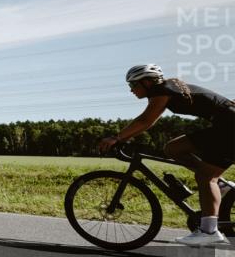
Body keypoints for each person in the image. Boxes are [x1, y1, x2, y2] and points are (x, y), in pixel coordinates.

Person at [99, 64, 235, 246]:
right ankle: (219, 185)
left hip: (229, 128)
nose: (131, 90)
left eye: (133, 85)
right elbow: (149, 121)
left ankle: (209, 230)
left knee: (204, 176)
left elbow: (146, 120)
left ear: (147, 82)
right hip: (225, 127)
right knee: (173, 149)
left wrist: (117, 138)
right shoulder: (166, 90)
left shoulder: (162, 90)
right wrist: (124, 137)